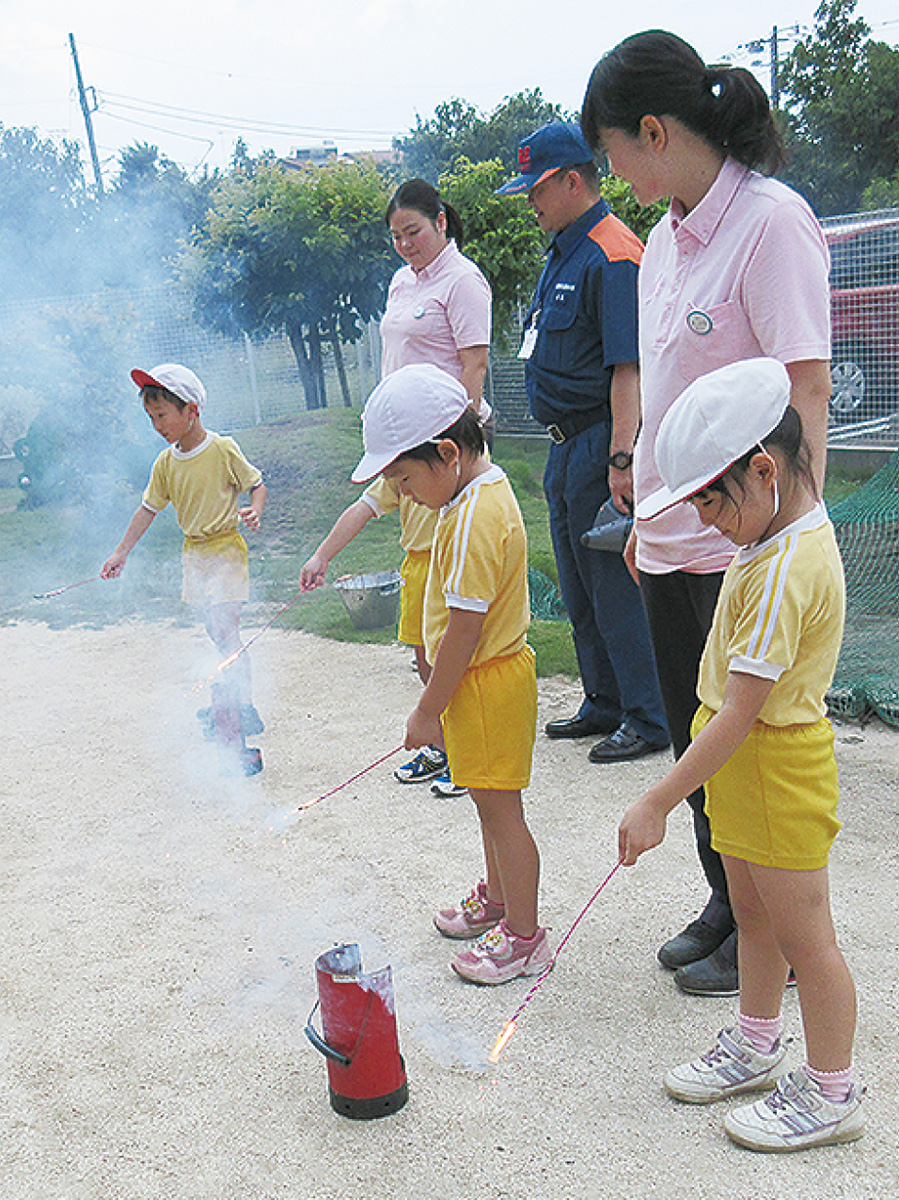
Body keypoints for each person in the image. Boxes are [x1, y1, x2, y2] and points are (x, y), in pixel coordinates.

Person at [581, 30, 832, 993]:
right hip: (673, 538)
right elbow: (658, 389)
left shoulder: (769, 223)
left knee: (750, 741)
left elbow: (803, 387)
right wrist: (644, 516)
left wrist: (785, 531)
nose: (611, 170)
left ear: (653, 131)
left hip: (745, 542)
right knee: (697, 740)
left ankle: (771, 925)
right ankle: (729, 903)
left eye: (612, 150)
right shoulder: (661, 247)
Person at [618, 357, 862, 1153]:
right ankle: (755, 1045)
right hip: (746, 770)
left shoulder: (788, 565)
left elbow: (739, 713)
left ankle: (832, 1093)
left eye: (708, 503)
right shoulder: (768, 530)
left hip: (779, 767)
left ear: (762, 470)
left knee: (806, 940)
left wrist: (657, 798)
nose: (704, 523)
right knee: (750, 914)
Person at [352, 362, 549, 985]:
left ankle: (523, 936)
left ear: (447, 452)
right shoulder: (474, 493)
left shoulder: (471, 516)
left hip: (486, 682)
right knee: (489, 807)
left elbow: (464, 629)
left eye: (405, 478)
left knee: (502, 812)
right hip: (480, 683)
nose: (404, 492)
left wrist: (428, 708)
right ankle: (498, 900)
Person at [300, 179, 491, 798]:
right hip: (402, 437)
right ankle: (442, 744)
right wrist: (323, 555)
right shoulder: (401, 282)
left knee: (452, 635)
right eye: (396, 237)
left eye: (414, 231)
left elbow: (473, 365)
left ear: (441, 221)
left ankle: (464, 748)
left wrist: (453, 443)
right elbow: (367, 502)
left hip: (438, 438)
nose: (406, 245)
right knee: (422, 642)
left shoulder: (462, 281)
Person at [496, 122, 668, 763]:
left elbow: (631, 368)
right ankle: (604, 700)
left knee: (614, 581)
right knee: (578, 582)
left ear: (574, 181)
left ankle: (649, 715)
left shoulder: (614, 252)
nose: (529, 201)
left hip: (603, 442)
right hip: (564, 445)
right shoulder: (564, 248)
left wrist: (624, 457)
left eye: (537, 189)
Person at [101, 364, 267, 735]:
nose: (157, 425)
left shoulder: (222, 449)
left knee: (226, 627)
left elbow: (256, 484)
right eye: (150, 417)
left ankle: (244, 706)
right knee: (214, 630)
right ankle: (231, 703)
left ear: (191, 410)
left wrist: (255, 510)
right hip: (193, 554)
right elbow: (148, 509)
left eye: (161, 415)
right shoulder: (165, 463)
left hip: (225, 548)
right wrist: (121, 552)